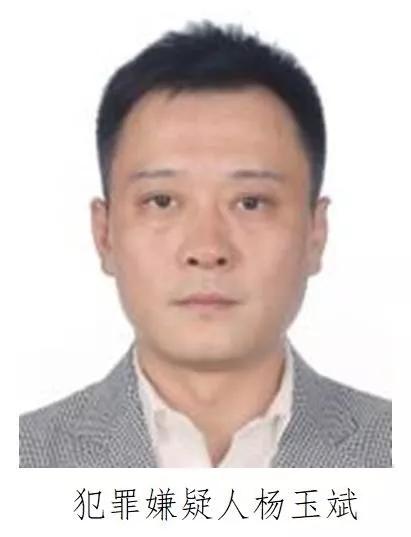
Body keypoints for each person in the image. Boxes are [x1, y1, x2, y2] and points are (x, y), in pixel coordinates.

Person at [19, 21, 391, 468]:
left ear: (316, 233)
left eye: (251, 203)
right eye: (162, 201)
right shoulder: (25, 457)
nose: (208, 249)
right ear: (104, 234)